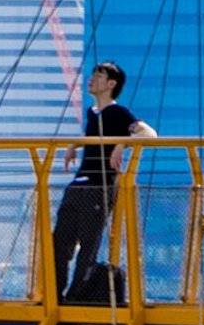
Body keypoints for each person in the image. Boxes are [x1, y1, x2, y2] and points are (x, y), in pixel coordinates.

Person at [53, 62, 151, 306]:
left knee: (88, 244)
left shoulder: (119, 113)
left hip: (100, 186)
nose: (91, 78)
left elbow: (149, 134)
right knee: (60, 241)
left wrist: (122, 143)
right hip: (79, 184)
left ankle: (76, 295)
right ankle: (55, 294)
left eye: (99, 75)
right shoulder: (92, 113)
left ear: (111, 84)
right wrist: (75, 145)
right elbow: (93, 136)